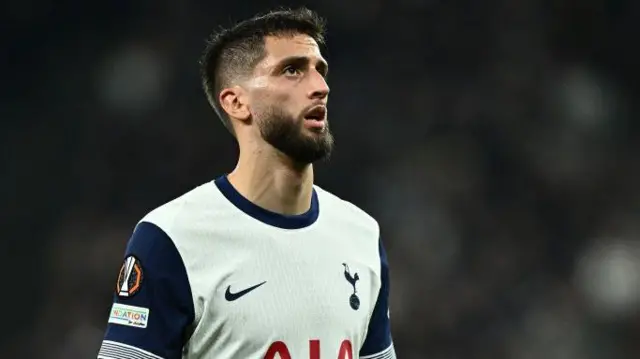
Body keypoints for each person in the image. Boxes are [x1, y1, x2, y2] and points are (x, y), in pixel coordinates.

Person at [97, 7, 395, 359]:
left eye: (320, 71)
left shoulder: (361, 236)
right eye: (292, 70)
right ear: (237, 102)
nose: (320, 87)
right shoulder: (172, 238)